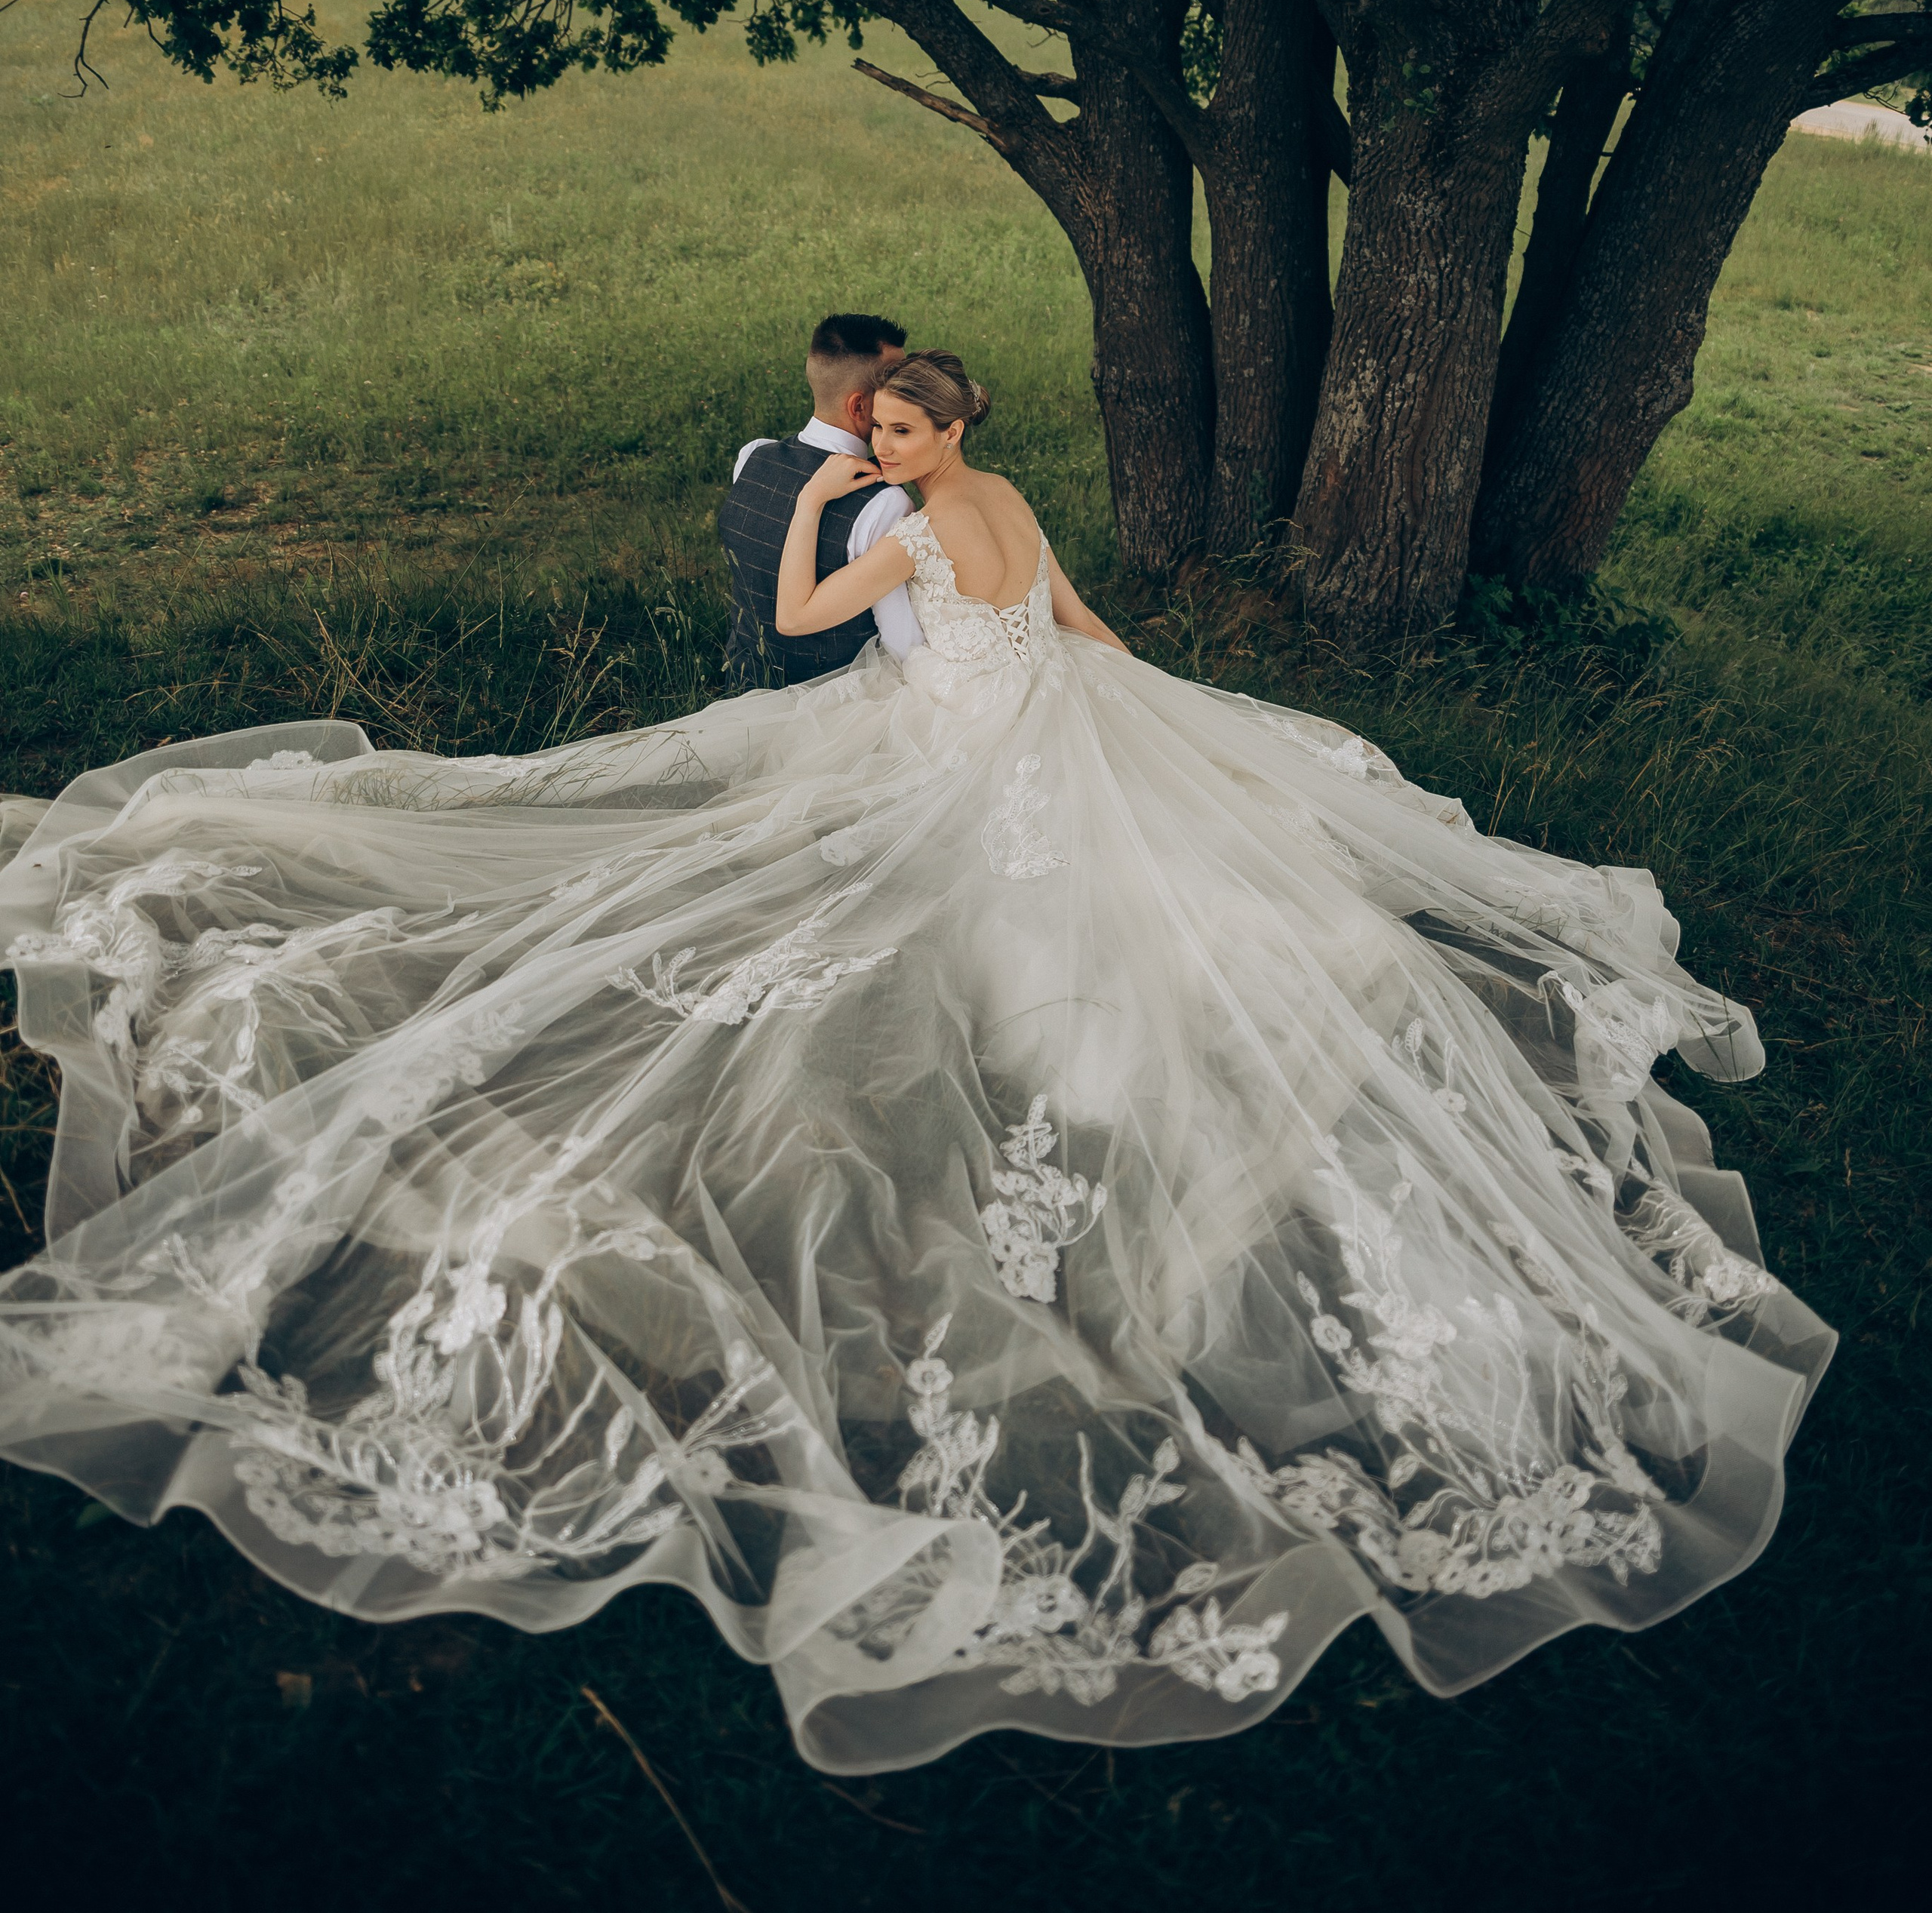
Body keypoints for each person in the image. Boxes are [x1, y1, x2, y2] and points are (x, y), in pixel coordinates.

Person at [0, 350, 1830, 1779]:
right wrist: (1174, 711)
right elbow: (1071, 629)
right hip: (1041, 730)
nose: (873, 437)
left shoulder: (879, 516)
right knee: (1128, 951)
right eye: (867, 422)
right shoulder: (1012, 497)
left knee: (825, 944)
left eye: (893, 422)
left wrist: (816, 512)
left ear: (941, 427)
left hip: (956, 768)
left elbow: (806, 624)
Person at [717, 312, 920, 688]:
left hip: (742, 685)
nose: (908, 387)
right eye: (897, 380)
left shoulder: (752, 457)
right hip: (830, 705)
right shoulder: (885, 503)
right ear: (859, 407)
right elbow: (902, 642)